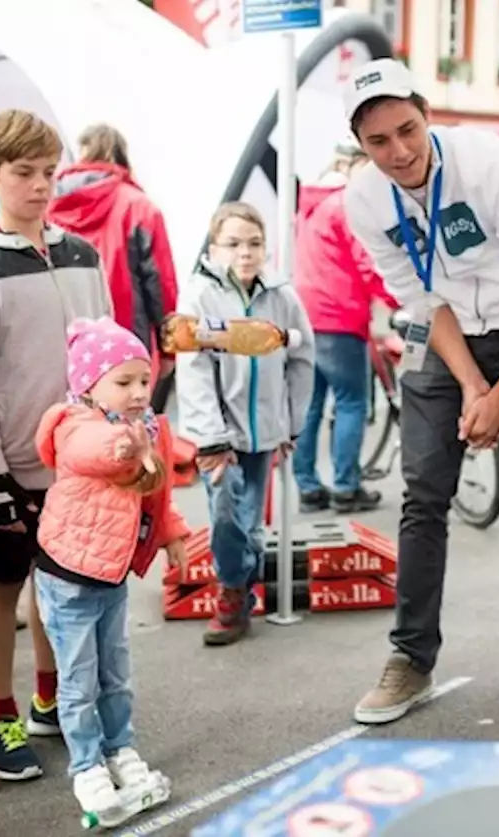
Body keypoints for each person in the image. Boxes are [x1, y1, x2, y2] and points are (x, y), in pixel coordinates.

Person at [339, 58, 499, 725]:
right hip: (443, 338)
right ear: (360, 146)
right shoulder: (362, 198)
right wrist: (472, 382)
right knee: (422, 494)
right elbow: (417, 295)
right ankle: (410, 658)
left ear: (426, 112)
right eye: (379, 142)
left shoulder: (495, 166)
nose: (399, 152)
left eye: (407, 129)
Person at [0, 109, 113, 781]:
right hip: (12, 459)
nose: (42, 186)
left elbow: (106, 352)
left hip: (77, 458)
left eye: (50, 172)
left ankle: (51, 696)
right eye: (24, 174)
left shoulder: (83, 253)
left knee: (62, 585)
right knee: (2, 581)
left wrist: (114, 431)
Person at [32, 317, 185, 816]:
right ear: (88, 385)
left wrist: (172, 534)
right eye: (124, 382)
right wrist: (122, 446)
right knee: (79, 680)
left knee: (115, 673)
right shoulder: (76, 424)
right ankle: (87, 766)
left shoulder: (142, 429)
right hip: (69, 576)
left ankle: (120, 749)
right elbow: (88, 453)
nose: (139, 391)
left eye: (144, 379)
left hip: (111, 575)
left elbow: (155, 493)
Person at [175, 202, 315, 647]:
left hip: (265, 430)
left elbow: (302, 358)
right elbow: (193, 368)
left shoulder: (282, 296)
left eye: (254, 243)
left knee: (250, 517)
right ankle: (234, 588)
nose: (245, 253)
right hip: (220, 433)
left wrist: (291, 425)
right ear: (214, 248)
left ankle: (241, 587)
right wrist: (211, 438)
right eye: (233, 243)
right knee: (225, 510)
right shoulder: (199, 296)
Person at [292, 147, 397, 511]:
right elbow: (368, 265)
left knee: (310, 406)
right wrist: (400, 299)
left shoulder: (309, 206)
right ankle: (345, 487)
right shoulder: (347, 206)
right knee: (351, 403)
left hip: (305, 317)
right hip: (340, 318)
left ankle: (307, 486)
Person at [47, 124, 179, 409]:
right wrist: (170, 348)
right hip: (127, 335)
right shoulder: (139, 207)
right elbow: (161, 283)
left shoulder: (50, 204)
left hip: (66, 336)